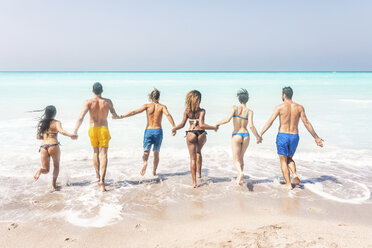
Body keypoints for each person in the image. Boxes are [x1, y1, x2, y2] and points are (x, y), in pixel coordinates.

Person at [260, 86, 324, 189]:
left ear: (284, 95)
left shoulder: (279, 107)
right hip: (294, 136)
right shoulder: (299, 107)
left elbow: (270, 121)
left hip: (283, 135)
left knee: (283, 160)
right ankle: (294, 174)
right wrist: (316, 137)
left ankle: (289, 184)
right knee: (289, 158)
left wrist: (261, 134)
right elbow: (306, 123)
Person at [115, 88, 176, 176]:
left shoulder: (147, 106)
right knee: (156, 153)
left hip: (149, 130)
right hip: (158, 131)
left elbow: (134, 112)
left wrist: (121, 116)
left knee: (146, 151)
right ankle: (154, 172)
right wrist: (174, 127)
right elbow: (168, 115)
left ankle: (145, 162)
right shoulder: (162, 107)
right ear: (159, 97)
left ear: (151, 97)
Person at [74, 82, 120, 191]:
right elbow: (114, 115)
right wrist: (116, 116)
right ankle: (102, 181)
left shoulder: (88, 102)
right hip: (104, 129)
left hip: (93, 129)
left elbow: (81, 117)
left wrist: (75, 131)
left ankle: (97, 176)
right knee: (104, 155)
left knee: (95, 152)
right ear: (102, 90)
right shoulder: (108, 102)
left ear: (92, 91)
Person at [172, 90, 218, 188]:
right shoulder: (202, 111)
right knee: (199, 152)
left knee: (192, 158)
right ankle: (199, 174)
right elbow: (201, 124)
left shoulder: (187, 111)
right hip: (201, 133)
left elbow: (182, 124)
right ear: (199, 100)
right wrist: (213, 127)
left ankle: (194, 182)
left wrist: (174, 128)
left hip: (191, 133)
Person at [216, 89, 262, 185]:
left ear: (239, 99)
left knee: (235, 159)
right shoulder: (250, 111)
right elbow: (251, 126)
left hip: (236, 134)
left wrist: (217, 124)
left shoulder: (234, 108)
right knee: (241, 157)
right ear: (247, 99)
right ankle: (240, 179)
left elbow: (227, 120)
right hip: (246, 135)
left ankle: (240, 173)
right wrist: (258, 137)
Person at [34, 105, 77, 191]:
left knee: (46, 169)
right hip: (53, 145)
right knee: (56, 166)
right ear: (55, 113)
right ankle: (53, 185)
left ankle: (40, 170)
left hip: (43, 147)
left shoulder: (41, 123)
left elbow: (38, 137)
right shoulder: (57, 122)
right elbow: (61, 131)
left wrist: (46, 137)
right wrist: (71, 135)